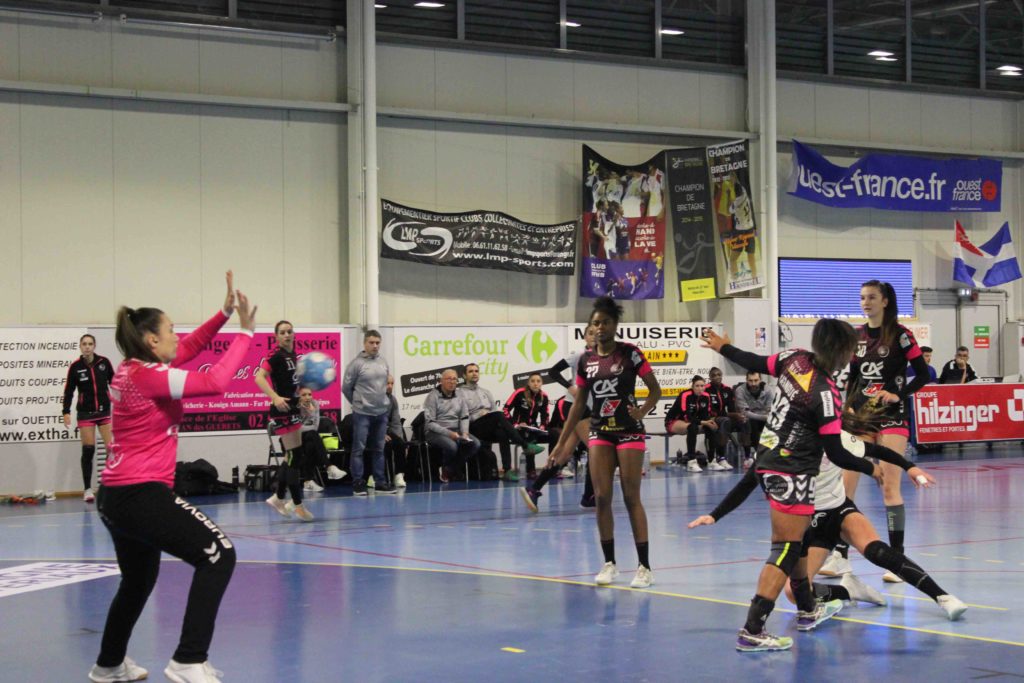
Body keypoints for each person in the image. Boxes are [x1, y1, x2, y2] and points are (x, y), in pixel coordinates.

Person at [88, 271, 253, 683]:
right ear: (151, 340)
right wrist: (246, 333)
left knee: (138, 580)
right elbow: (215, 381)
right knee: (218, 555)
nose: (178, 337)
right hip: (140, 494)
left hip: (115, 496)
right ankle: (188, 660)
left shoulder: (133, 369)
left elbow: (191, 346)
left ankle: (108, 665)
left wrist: (222, 314)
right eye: (170, 330)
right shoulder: (149, 376)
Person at [698, 321, 890, 652]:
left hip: (769, 460)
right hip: (792, 472)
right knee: (785, 549)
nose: (853, 356)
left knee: (797, 544)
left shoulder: (794, 358)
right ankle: (753, 629)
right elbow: (836, 452)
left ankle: (807, 609)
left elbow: (754, 361)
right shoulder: (825, 394)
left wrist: (723, 347)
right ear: (840, 351)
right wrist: (869, 467)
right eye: (851, 349)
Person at [689, 431, 967, 622]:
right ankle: (849, 591)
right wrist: (715, 515)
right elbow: (748, 483)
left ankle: (943, 597)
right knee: (794, 593)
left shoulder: (836, 438)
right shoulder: (778, 448)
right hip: (809, 524)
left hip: (838, 510)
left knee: (877, 551)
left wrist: (910, 467)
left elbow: (875, 450)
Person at [542, 297, 661, 589]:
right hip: (600, 431)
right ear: (591, 327)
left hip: (629, 431)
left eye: (605, 322)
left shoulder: (630, 353)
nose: (600, 328)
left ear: (615, 325)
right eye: (595, 323)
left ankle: (644, 567)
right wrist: (560, 444)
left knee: (631, 497)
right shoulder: (586, 360)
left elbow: (655, 390)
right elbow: (578, 404)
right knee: (602, 496)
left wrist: (643, 411)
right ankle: (609, 564)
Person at [828, 281, 932, 581]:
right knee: (844, 488)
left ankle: (897, 560)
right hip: (860, 418)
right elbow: (854, 377)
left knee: (889, 486)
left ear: (885, 301)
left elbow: (922, 374)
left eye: (872, 297)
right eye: (862, 297)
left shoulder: (901, 335)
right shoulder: (856, 336)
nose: (866, 302)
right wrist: (848, 406)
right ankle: (840, 555)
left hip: (891, 418)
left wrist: (899, 395)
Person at [520, 326, 598, 511]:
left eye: (598, 333)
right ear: (585, 337)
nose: (595, 336)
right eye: (591, 333)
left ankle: (534, 489)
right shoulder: (579, 355)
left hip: (590, 408)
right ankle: (589, 496)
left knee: (564, 453)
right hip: (576, 406)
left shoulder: (604, 359)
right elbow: (553, 371)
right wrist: (570, 387)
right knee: (596, 449)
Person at [257, 321, 314, 521]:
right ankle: (297, 505)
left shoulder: (294, 355)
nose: (287, 335)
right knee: (294, 456)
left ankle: (279, 497)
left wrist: (304, 402)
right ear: (276, 336)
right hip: (282, 410)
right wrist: (274, 397)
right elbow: (259, 377)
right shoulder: (275, 355)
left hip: (293, 406)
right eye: (282, 332)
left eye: (289, 331)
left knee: (292, 456)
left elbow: (294, 385)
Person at [460, 364, 540, 481]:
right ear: (464, 375)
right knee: (499, 415)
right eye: (471, 371)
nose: (474, 373)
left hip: (488, 424)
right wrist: (479, 414)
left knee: (502, 432)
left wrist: (488, 415)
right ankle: (524, 445)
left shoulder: (485, 392)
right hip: (473, 426)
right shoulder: (460, 393)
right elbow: (462, 415)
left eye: (476, 371)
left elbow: (493, 409)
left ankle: (507, 470)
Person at [342, 330, 397, 496]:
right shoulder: (356, 364)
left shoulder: (383, 362)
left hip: (381, 413)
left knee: (379, 449)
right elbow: (346, 388)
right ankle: (358, 483)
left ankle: (380, 483)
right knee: (358, 448)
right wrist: (358, 403)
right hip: (362, 414)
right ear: (365, 343)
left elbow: (384, 385)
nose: (375, 346)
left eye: (377, 343)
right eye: (371, 342)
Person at [62, 334, 115, 503]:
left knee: (112, 449)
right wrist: (66, 411)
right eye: (84, 344)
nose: (87, 347)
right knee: (88, 449)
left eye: (90, 344)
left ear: (94, 346)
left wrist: (122, 401)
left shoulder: (104, 363)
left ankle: (106, 485)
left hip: (104, 412)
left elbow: (114, 383)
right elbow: (69, 390)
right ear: (80, 346)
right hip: (86, 414)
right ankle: (87, 489)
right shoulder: (75, 367)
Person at [424, 369, 480, 483]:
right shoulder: (432, 396)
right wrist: (449, 434)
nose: (452, 382)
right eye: (449, 379)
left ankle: (449, 469)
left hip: (456, 430)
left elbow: (464, 416)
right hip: (435, 432)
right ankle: (450, 469)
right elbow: (430, 423)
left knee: (475, 444)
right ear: (441, 381)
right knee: (452, 446)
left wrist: (464, 432)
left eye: (454, 379)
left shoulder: (460, 395)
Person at [297, 387, 346, 492]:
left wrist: (312, 413)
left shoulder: (315, 404)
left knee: (311, 444)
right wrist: (309, 413)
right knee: (313, 436)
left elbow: (315, 426)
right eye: (304, 395)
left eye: (309, 394)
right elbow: (296, 429)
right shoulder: (294, 407)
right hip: (293, 439)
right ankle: (329, 467)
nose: (308, 397)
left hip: (309, 438)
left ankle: (308, 481)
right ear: (298, 396)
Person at [664, 375, 716, 472]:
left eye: (702, 386)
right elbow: (687, 417)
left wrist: (710, 422)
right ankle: (691, 462)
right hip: (674, 421)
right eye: (697, 386)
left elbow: (705, 416)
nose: (700, 388)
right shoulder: (685, 395)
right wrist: (704, 422)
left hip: (693, 422)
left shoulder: (706, 396)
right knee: (692, 427)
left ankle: (711, 460)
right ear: (692, 386)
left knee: (709, 427)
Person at [503, 373, 550, 479]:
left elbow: (545, 414)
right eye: (532, 381)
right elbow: (505, 409)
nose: (535, 383)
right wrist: (514, 424)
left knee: (553, 434)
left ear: (541, 383)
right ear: (528, 383)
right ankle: (531, 470)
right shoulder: (519, 393)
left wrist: (543, 426)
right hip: (518, 428)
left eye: (538, 381)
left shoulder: (544, 396)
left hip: (533, 427)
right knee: (529, 436)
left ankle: (554, 468)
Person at [733, 370, 773, 469]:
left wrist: (766, 417)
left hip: (763, 418)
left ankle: (770, 456)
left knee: (773, 423)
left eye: (756, 380)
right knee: (748, 421)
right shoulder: (740, 390)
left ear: (760, 380)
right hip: (748, 419)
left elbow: (769, 409)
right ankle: (749, 458)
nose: (753, 383)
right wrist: (763, 417)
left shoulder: (768, 390)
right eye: (750, 381)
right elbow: (745, 412)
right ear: (746, 380)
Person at [706, 367, 741, 471]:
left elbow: (731, 408)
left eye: (719, 375)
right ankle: (720, 458)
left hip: (724, 417)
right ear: (710, 378)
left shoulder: (727, 389)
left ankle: (748, 457)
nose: (717, 377)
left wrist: (737, 416)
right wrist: (730, 415)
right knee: (724, 421)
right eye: (714, 375)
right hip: (710, 417)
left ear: (721, 376)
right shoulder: (706, 389)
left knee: (744, 421)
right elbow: (709, 410)